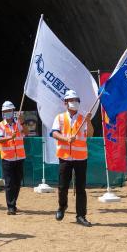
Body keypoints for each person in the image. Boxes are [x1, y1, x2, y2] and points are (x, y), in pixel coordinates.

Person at [51, 89, 93, 227]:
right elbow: (54, 133)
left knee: (81, 188)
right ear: (65, 103)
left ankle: (81, 215)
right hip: (64, 157)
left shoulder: (82, 118)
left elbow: (90, 134)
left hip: (81, 157)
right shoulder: (60, 118)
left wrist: (89, 121)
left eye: (76, 100)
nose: (74, 103)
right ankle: (62, 207)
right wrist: (66, 139)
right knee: (62, 186)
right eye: (71, 100)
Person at [0, 100, 26, 215]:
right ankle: (10, 206)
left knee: (17, 182)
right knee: (9, 183)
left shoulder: (18, 123)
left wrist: (22, 123)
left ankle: (14, 203)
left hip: (19, 157)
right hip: (7, 158)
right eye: (5, 111)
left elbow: (26, 133)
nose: (7, 112)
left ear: (13, 111)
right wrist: (9, 137)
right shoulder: (0, 125)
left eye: (9, 110)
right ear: (3, 113)